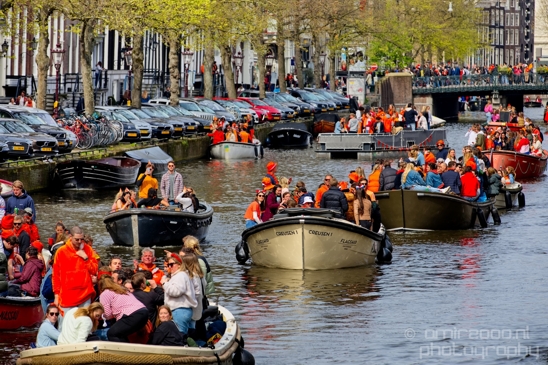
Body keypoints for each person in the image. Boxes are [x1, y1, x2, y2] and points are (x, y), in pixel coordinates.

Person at [53, 226, 98, 330]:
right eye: (76, 239)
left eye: (81, 239)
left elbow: (94, 270)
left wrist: (85, 258)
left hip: (85, 294)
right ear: (70, 237)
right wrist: (56, 295)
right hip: (67, 296)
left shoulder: (88, 249)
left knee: (84, 325)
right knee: (64, 326)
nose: (79, 241)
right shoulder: (61, 252)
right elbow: (56, 275)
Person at [98, 276, 149, 343]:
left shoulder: (105, 293)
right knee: (121, 333)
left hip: (131, 314)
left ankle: (121, 353)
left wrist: (99, 317)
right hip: (144, 311)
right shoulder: (122, 290)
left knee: (112, 333)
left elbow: (108, 314)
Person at [161, 253, 197, 336]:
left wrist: (164, 284)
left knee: (180, 335)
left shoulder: (180, 275)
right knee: (188, 335)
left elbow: (176, 291)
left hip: (180, 311)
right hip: (184, 310)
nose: (169, 267)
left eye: (171, 264)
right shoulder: (182, 275)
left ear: (179, 264)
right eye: (168, 265)